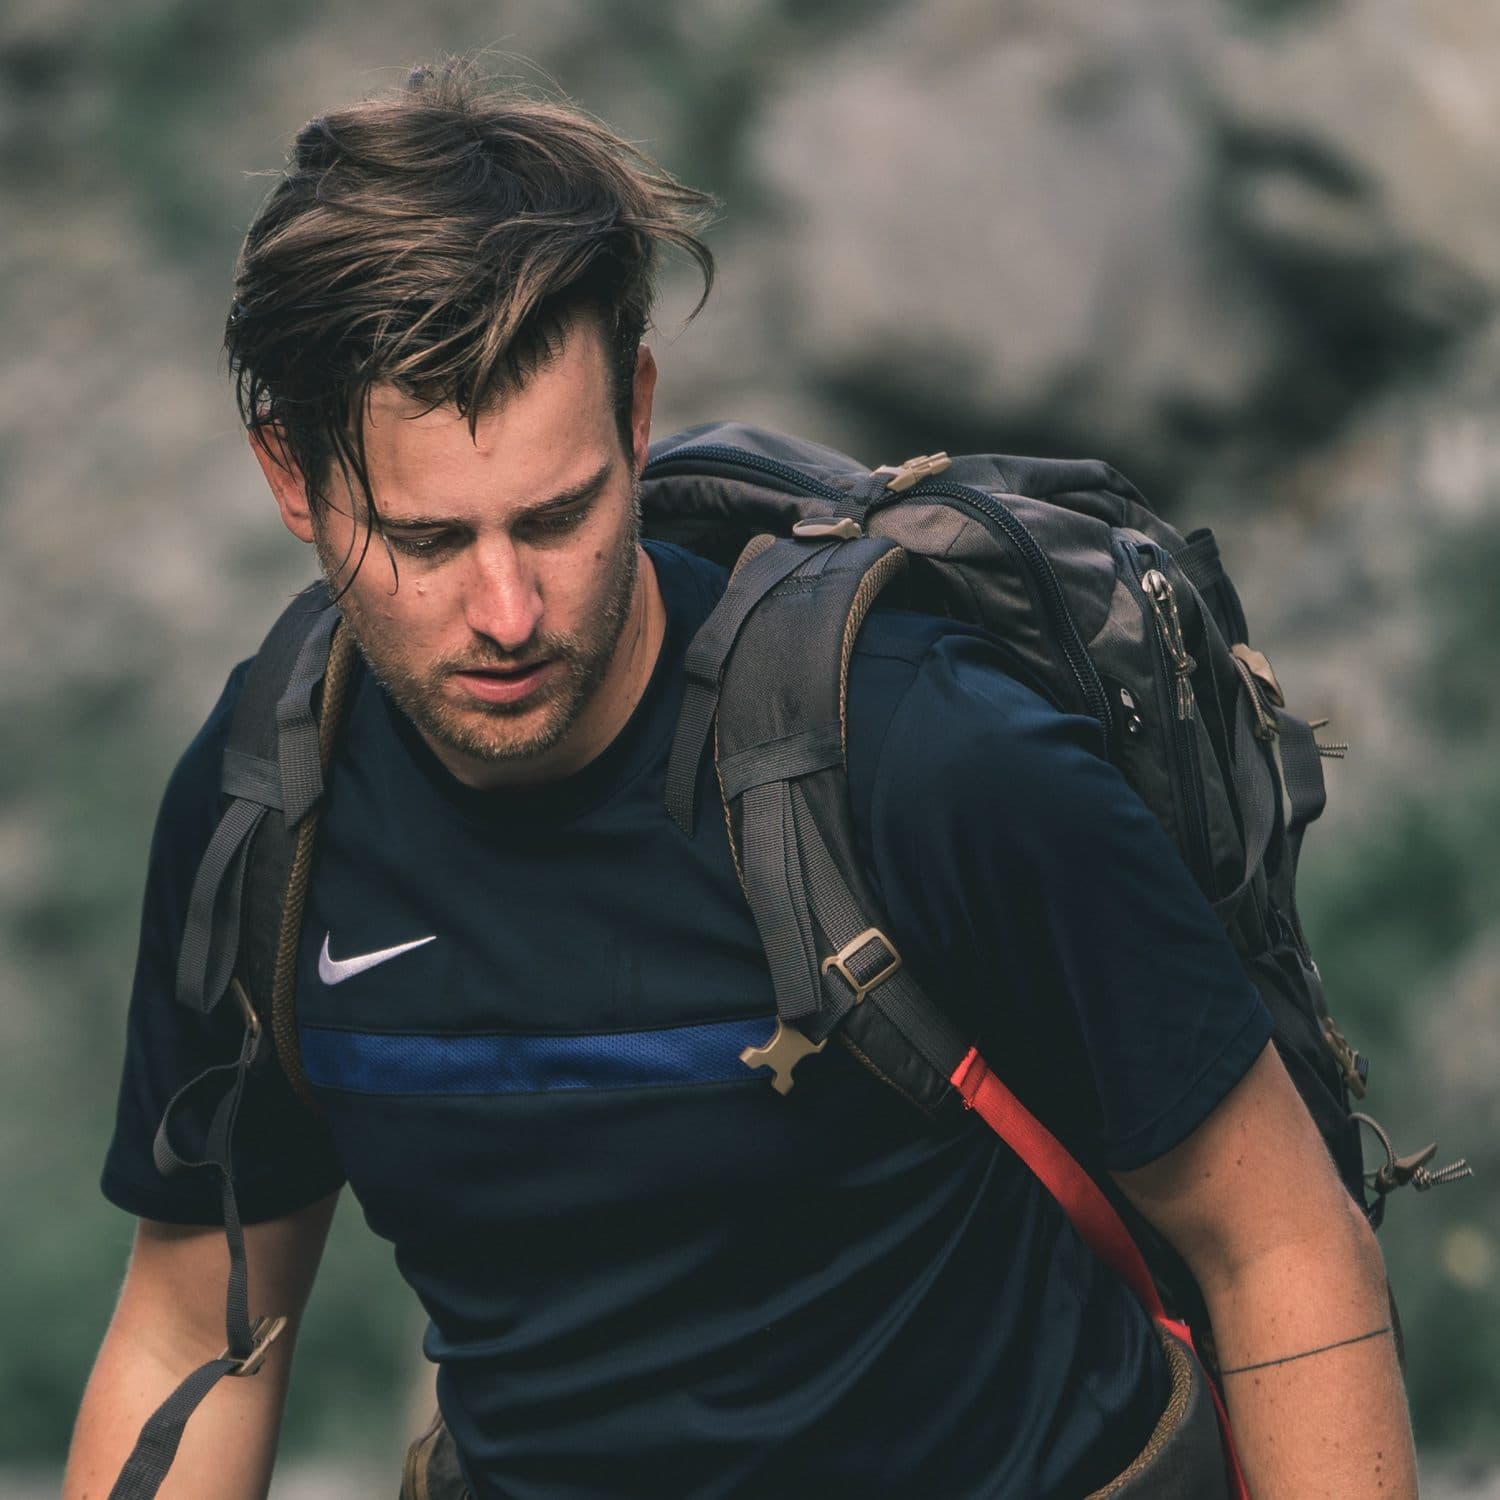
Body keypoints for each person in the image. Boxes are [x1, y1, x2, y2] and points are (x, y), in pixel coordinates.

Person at [65, 62, 1417, 1500]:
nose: (510, 608)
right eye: (427, 542)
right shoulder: (271, 800)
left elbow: (1280, 1246)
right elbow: (193, 1337)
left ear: (637, 414)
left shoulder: (920, 759)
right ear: (291, 479)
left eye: (560, 513)